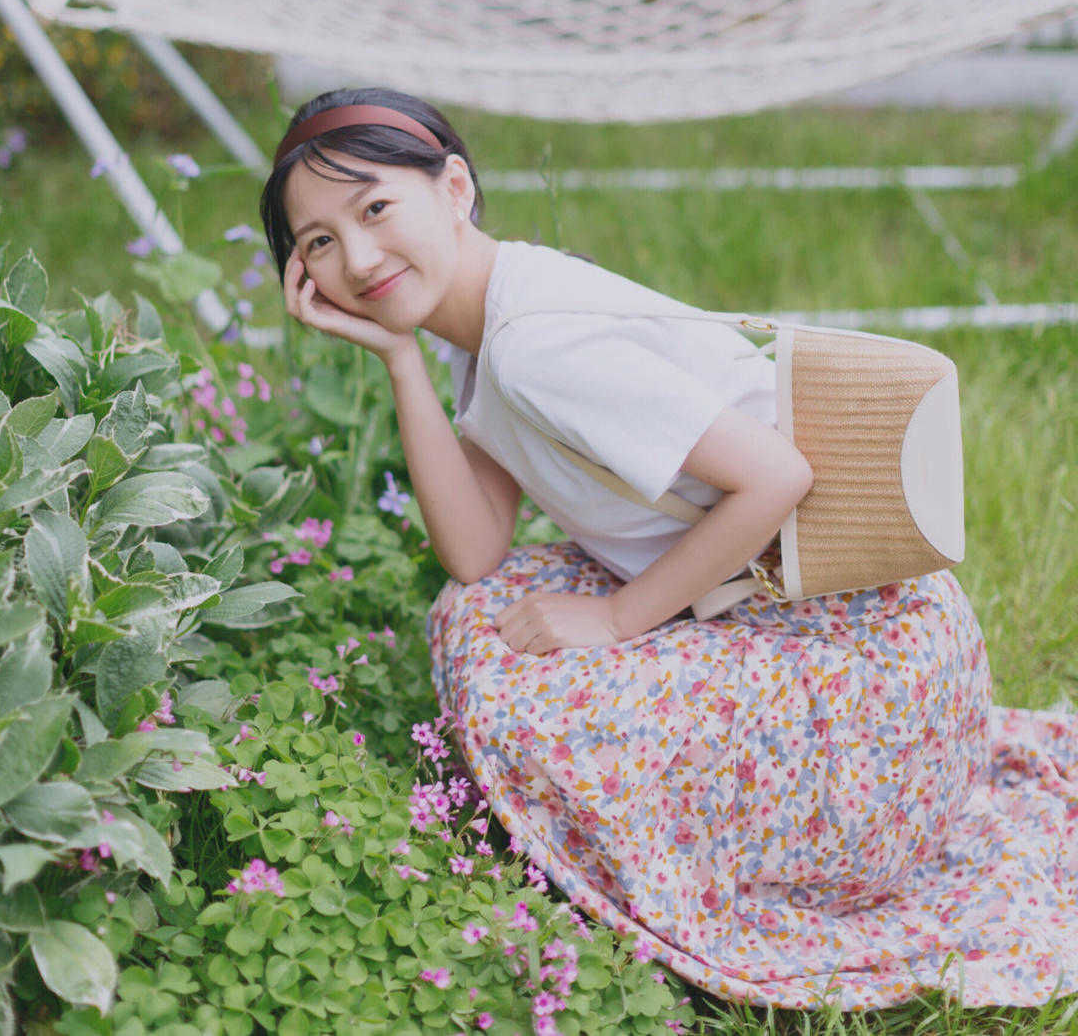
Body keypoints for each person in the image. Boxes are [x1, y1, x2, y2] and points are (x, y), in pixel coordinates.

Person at [261, 85, 1077, 1012]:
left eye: (375, 208)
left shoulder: (534, 342)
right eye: (318, 240)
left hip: (870, 657)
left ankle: (724, 875)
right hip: (836, 619)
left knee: (524, 694)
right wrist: (400, 359)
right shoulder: (484, 321)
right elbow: (476, 550)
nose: (357, 257)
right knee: (484, 616)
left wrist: (615, 617)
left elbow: (776, 477)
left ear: (453, 188)